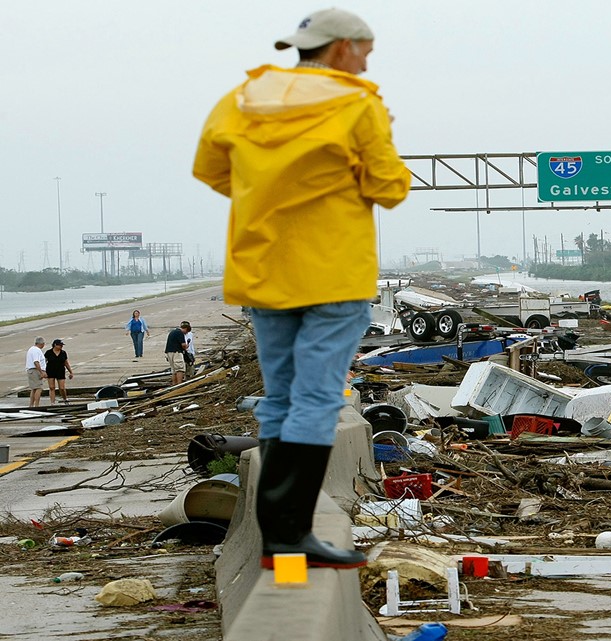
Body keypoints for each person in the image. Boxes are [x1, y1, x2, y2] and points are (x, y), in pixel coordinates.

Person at [193, 7, 410, 570]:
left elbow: (212, 169)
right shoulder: (356, 104)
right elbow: (389, 187)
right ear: (341, 49)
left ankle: (276, 538)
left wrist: (270, 192)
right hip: (333, 271)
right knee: (316, 399)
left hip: (263, 269)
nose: (367, 61)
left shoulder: (242, 100)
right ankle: (291, 537)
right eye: (365, 50)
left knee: (281, 398)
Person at [44, 339, 74, 405]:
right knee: (52, 387)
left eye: (62, 345)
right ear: (55, 345)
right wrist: (43, 371)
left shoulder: (63, 353)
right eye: (60, 345)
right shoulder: (48, 352)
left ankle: (65, 398)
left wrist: (70, 372)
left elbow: (66, 363)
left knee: (62, 387)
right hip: (50, 371)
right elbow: (44, 362)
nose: (61, 346)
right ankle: (52, 402)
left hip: (60, 371)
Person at [25, 336, 47, 407]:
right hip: (35, 370)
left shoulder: (32, 349)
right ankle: (36, 405)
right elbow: (36, 362)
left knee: (34, 388)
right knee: (38, 388)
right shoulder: (36, 350)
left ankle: (31, 405)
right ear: (42, 343)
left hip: (32, 370)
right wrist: (41, 372)